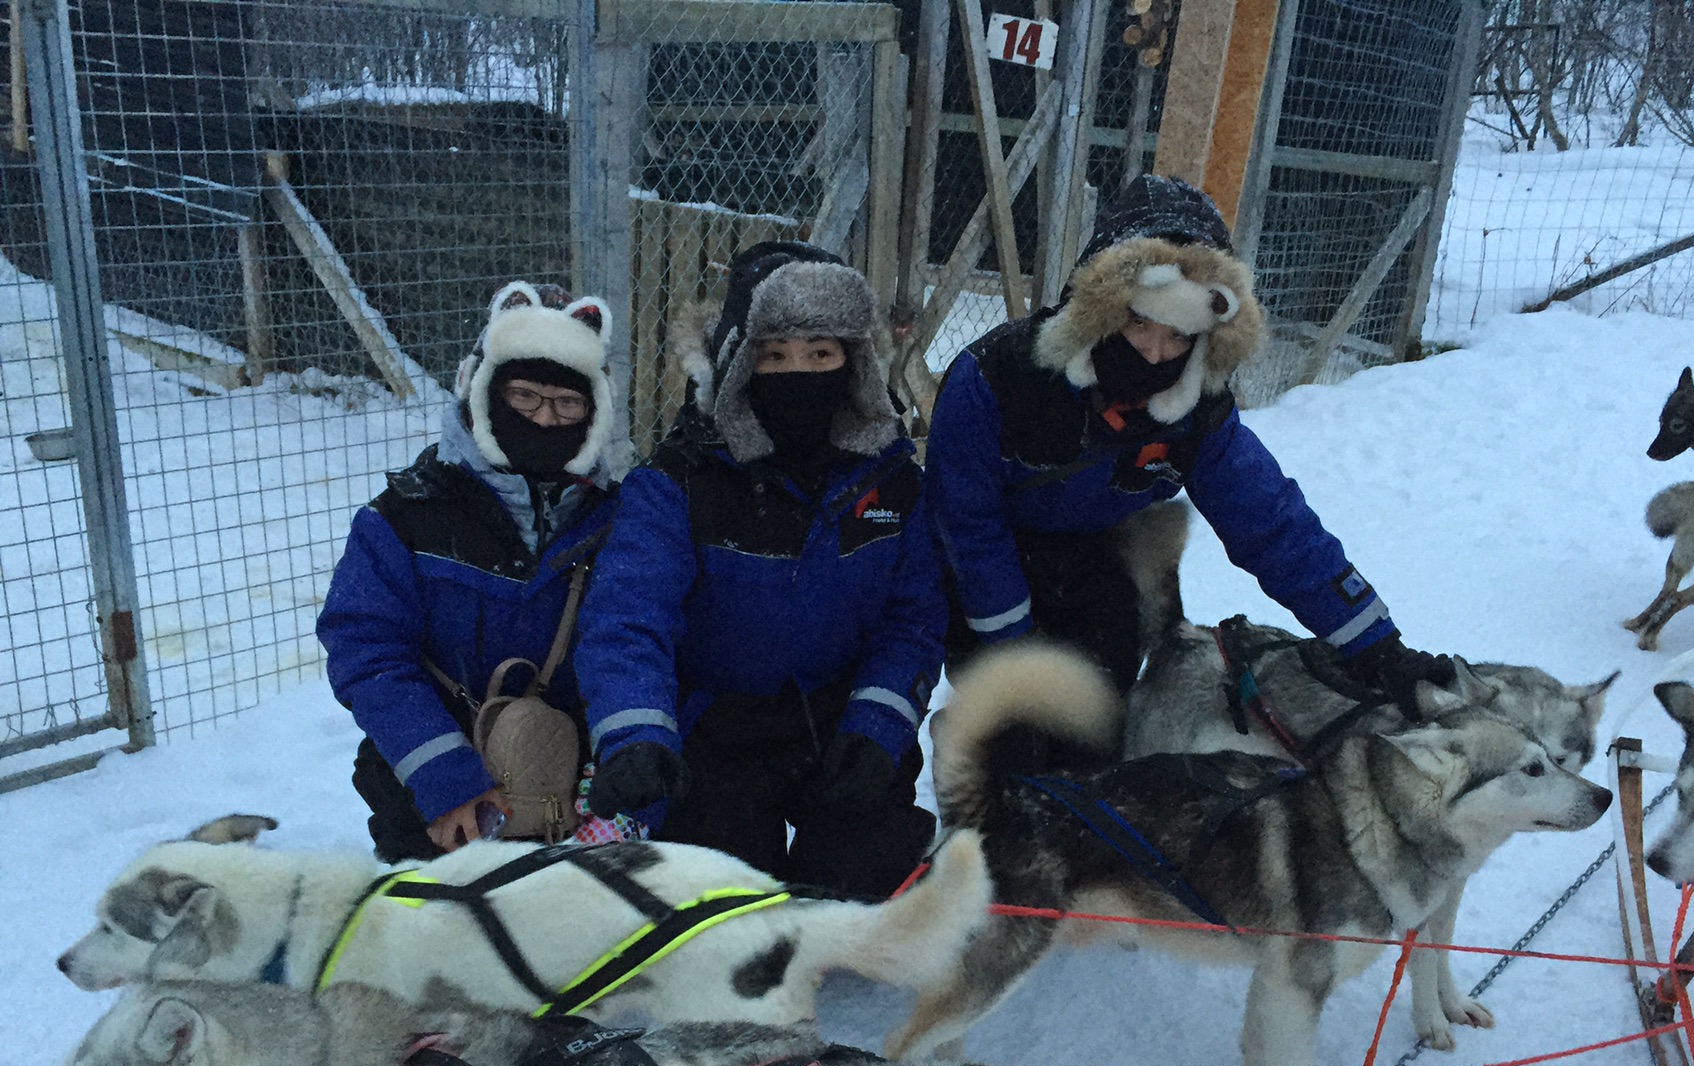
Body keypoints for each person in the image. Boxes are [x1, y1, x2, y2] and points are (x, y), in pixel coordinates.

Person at [925, 173, 1451, 718]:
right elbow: (967, 526)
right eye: (1141, 324)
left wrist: (1378, 647)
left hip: (1101, 559)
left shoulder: (1196, 413)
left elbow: (1271, 523)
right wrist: (1014, 647)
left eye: (1179, 336)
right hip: (984, 563)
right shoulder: (999, 379)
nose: (1155, 354)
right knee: (1013, 730)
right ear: (1104, 311)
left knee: (1098, 721)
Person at [574, 242, 944, 898]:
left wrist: (879, 723)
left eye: (820, 355)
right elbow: (627, 617)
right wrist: (635, 731)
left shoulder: (890, 480)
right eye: (774, 356)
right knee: (720, 901)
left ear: (851, 363)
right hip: (718, 728)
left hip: (836, 716)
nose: (798, 373)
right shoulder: (680, 480)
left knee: (860, 882)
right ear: (740, 364)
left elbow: (913, 619)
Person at [318, 281, 622, 861]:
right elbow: (368, 650)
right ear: (481, 392)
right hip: (432, 787)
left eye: (567, 403)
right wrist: (443, 777)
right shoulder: (407, 517)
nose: (544, 418)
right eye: (525, 396)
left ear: (594, 412)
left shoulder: (621, 522)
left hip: (577, 791)